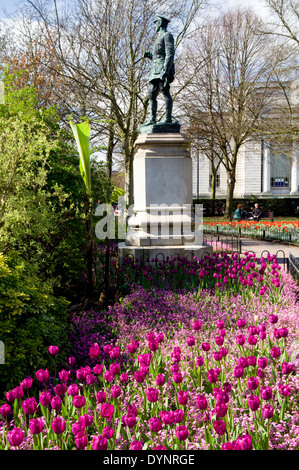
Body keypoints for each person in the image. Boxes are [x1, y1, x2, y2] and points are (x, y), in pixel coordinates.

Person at [143, 14, 175, 125]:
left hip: (162, 70)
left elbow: (170, 54)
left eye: (156, 22)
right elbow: (158, 56)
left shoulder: (167, 35)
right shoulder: (158, 38)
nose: (154, 25)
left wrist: (165, 70)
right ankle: (152, 118)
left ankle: (168, 118)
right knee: (151, 94)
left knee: (165, 92)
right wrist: (150, 56)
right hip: (154, 71)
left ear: (160, 22)